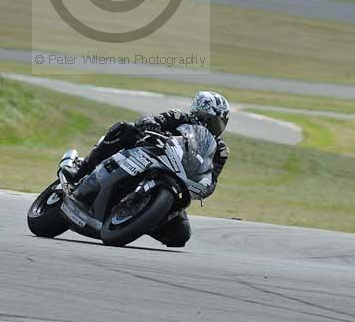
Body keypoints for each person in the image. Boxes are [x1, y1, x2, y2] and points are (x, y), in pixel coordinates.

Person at [60, 91, 230, 247]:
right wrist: (150, 123)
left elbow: (212, 177)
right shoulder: (179, 117)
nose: (216, 126)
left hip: (179, 180)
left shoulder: (220, 150)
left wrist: (206, 187)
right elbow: (151, 118)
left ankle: (143, 218)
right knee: (124, 129)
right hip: (150, 155)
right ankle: (81, 170)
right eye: (212, 120)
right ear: (199, 113)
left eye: (221, 123)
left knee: (181, 235)